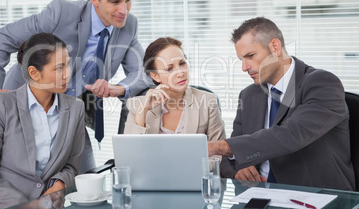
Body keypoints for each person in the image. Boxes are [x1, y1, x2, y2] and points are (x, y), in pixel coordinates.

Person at [0, 0, 150, 172]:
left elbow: (144, 72)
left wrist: (118, 88)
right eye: (115, 2)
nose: (124, 10)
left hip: (68, 110)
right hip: (27, 103)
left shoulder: (128, 25)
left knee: (87, 179)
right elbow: (0, 40)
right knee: (19, 175)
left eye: (128, 0)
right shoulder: (61, 13)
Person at [208, 17, 354, 190]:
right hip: (260, 194)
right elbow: (231, 157)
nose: (244, 67)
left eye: (250, 56)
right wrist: (239, 169)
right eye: (241, 59)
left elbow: (290, 135)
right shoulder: (248, 95)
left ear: (275, 47)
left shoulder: (322, 83)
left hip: (314, 195)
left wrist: (218, 146)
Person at [0, 33, 85, 209]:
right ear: (34, 73)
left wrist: (60, 184)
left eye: (68, 65)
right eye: (59, 68)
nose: (67, 74)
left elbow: (71, 166)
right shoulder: (1, 104)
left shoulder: (76, 108)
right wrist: (26, 205)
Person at [124, 37, 225, 141]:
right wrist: (142, 111)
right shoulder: (136, 105)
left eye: (182, 63)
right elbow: (128, 153)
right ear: (156, 76)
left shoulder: (208, 101)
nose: (180, 73)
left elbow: (219, 153)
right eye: (169, 69)